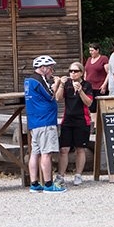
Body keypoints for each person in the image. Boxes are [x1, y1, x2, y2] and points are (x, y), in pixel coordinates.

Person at [24, 55, 66, 193]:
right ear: (42, 68)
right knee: (46, 153)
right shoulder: (38, 80)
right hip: (45, 121)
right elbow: (50, 95)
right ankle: (48, 184)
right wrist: (58, 83)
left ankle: (34, 183)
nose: (52, 70)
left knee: (35, 153)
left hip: (34, 122)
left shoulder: (29, 81)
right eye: (50, 67)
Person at [57, 61, 94, 186]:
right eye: (70, 71)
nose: (72, 73)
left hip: (82, 120)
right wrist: (61, 85)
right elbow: (58, 98)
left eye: (75, 71)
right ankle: (60, 175)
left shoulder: (87, 85)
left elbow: (89, 103)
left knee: (80, 148)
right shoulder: (66, 84)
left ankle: (78, 175)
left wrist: (80, 91)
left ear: (81, 73)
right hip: (67, 119)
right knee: (64, 149)